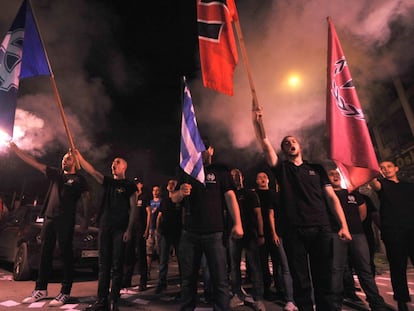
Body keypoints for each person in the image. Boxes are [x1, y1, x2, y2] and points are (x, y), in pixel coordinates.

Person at [252, 105, 352, 311]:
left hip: (321, 228)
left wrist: (343, 225)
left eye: (293, 141)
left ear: (299, 146)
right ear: (284, 150)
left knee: (324, 277)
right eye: (286, 143)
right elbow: (264, 144)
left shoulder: (316, 169)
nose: (290, 144)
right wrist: (257, 121)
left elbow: (331, 198)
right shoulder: (281, 169)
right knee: (300, 280)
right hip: (294, 230)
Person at [8, 142, 90, 307]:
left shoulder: (80, 180)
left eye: (67, 159)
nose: (63, 161)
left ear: (74, 162)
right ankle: (41, 289)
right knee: (45, 253)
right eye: (63, 159)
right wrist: (17, 151)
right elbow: (35, 164)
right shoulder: (57, 175)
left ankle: (65, 291)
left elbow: (87, 199)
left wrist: (86, 221)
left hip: (66, 220)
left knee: (67, 254)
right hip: (49, 217)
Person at [171, 142, 244, 311]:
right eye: (196, 148)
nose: (200, 152)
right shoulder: (186, 171)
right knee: (188, 280)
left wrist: (238, 223)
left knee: (220, 279)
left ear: (211, 150)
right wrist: (180, 192)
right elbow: (173, 198)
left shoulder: (220, 171)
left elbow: (230, 197)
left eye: (203, 148)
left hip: (215, 234)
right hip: (189, 234)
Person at [74, 151, 138, 311]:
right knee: (103, 266)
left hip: (120, 229)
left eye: (117, 162)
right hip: (105, 227)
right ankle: (101, 300)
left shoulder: (130, 185)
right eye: (113, 163)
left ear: (124, 166)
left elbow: (134, 208)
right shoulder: (108, 182)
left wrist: (129, 229)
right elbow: (93, 171)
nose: (113, 165)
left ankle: (114, 300)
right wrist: (80, 158)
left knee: (117, 266)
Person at [327, 169, 388, 311]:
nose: (335, 176)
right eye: (331, 174)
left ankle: (376, 303)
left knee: (364, 269)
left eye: (337, 174)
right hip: (336, 235)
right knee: (337, 270)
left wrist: (352, 227)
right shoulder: (327, 196)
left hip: (357, 235)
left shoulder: (352, 193)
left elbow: (363, 213)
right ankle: (334, 305)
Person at [370, 161, 414, 311]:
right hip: (394, 232)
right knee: (398, 268)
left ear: (396, 168)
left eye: (389, 166)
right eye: (382, 168)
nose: (386, 169)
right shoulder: (382, 185)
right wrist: (371, 170)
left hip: (412, 229)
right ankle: (402, 301)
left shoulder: (408, 186)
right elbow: (374, 184)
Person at [255, 172, 298, 311]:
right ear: (256, 181)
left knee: (278, 262)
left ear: (268, 180)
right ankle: (266, 289)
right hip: (261, 234)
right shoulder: (254, 194)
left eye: (264, 177)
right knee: (262, 263)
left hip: (276, 233)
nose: (262, 179)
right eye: (259, 177)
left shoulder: (274, 194)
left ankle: (280, 289)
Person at [228, 168, 266, 311]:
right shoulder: (229, 194)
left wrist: (261, 234)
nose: (235, 177)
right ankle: (237, 294)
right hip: (233, 235)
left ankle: (258, 298)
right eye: (232, 176)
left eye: (237, 175)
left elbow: (258, 215)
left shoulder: (250, 194)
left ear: (242, 177)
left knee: (255, 267)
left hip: (250, 234)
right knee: (234, 267)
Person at [121, 179, 150, 292]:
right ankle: (127, 279)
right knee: (129, 254)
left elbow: (149, 213)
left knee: (141, 254)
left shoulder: (144, 197)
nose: (136, 185)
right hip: (131, 229)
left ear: (141, 185)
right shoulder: (130, 196)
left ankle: (143, 281)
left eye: (137, 183)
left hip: (140, 229)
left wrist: (147, 229)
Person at [155, 179, 182, 294]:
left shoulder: (180, 200)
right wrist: (157, 230)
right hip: (165, 232)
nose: (171, 186)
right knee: (163, 259)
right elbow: (159, 216)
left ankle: (183, 284)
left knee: (181, 260)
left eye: (173, 184)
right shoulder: (164, 200)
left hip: (177, 232)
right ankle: (162, 283)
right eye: (169, 184)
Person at [146, 185, 161, 279]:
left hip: (159, 230)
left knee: (160, 251)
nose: (155, 192)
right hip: (151, 228)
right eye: (154, 190)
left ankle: (161, 273)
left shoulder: (161, 202)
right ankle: (147, 272)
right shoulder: (149, 203)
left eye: (157, 190)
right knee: (149, 251)